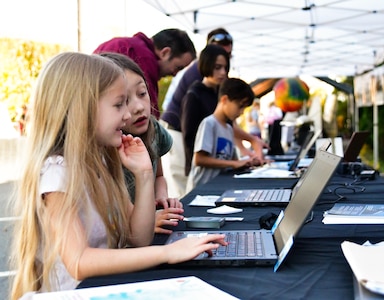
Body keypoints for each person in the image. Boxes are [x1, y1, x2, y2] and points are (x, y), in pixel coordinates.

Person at [9, 52, 226, 299]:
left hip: (104, 288)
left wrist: (144, 174)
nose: (127, 115)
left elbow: (139, 237)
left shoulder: (102, 158)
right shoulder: (57, 172)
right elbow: (80, 261)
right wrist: (168, 252)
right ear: (83, 108)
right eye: (118, 104)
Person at [161, 28, 266, 198]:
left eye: (225, 66)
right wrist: (192, 166)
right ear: (207, 61)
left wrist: (245, 150)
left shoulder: (215, 88)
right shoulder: (195, 91)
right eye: (218, 67)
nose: (223, 72)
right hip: (179, 135)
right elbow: (191, 135)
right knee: (184, 194)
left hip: (196, 142)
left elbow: (226, 122)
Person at [99, 52, 184, 235]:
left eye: (142, 93)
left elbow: (159, 176)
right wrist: (143, 223)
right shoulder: (105, 148)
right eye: (123, 101)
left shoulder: (154, 130)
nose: (138, 107)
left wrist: (162, 198)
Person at [93, 28, 197, 119]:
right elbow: (151, 116)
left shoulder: (129, 44)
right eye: (177, 67)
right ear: (165, 53)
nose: (175, 74)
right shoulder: (145, 58)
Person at [186, 78, 256, 192]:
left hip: (219, 188)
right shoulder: (209, 124)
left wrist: (248, 161)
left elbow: (233, 160)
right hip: (200, 190)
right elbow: (199, 159)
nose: (242, 111)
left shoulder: (229, 129)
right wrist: (234, 163)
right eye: (240, 106)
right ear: (224, 99)